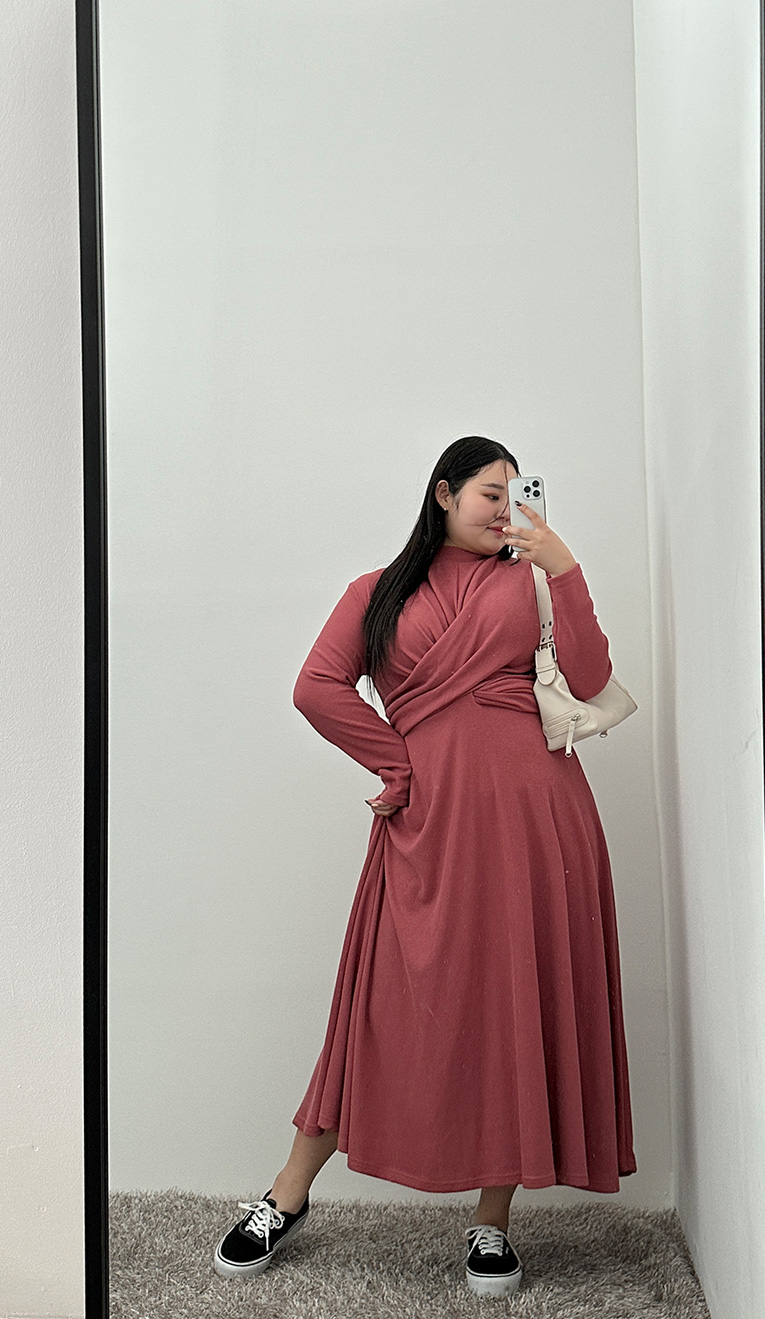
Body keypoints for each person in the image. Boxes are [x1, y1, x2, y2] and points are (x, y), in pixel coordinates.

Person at [212, 436, 636, 1296]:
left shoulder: (532, 580)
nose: (505, 509)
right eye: (490, 493)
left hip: (536, 817)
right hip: (429, 824)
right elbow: (316, 686)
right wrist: (397, 764)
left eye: (515, 494)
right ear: (444, 493)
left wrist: (563, 567)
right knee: (375, 1007)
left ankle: (492, 1220)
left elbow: (591, 677)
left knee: (514, 1002)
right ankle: (286, 1194)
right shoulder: (375, 592)